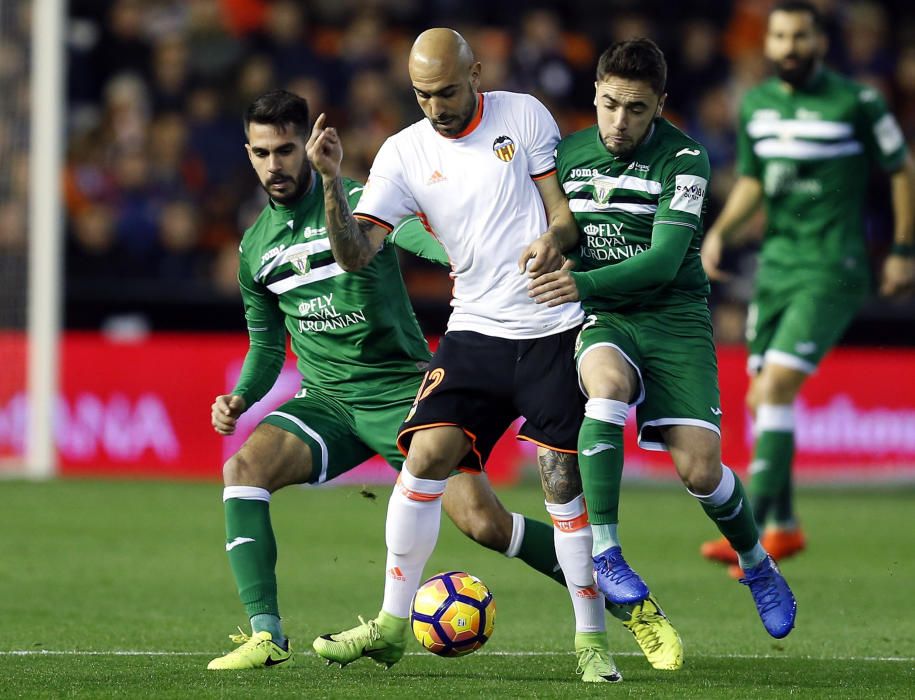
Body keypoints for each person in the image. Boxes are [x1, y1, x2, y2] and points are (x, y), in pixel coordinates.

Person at [207, 89, 682, 671]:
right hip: (327, 401)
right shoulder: (255, 247)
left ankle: (630, 607)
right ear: (249, 154)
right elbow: (263, 345)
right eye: (262, 153)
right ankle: (266, 632)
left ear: (307, 147)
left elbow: (415, 236)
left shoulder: (361, 199)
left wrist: (463, 256)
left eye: (285, 150)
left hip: (400, 390)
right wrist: (242, 396)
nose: (274, 165)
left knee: (485, 524)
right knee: (242, 470)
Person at [308, 28, 656, 683]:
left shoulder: (521, 114)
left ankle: (590, 644)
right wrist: (330, 181)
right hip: (474, 332)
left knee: (559, 483)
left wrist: (554, 241)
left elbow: (564, 214)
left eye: (444, 90)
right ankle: (389, 625)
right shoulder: (401, 153)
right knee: (425, 455)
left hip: (552, 327)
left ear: (476, 73)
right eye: (420, 94)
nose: (434, 106)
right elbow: (355, 253)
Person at [526, 38, 797, 639]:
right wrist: (556, 249)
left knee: (702, 471)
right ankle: (606, 549)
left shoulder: (686, 159)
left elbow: (665, 260)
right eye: (609, 105)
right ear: (594, 94)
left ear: (660, 104)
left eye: (637, 109)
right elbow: (559, 228)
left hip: (674, 317)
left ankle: (756, 564)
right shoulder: (566, 156)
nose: (620, 122)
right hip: (607, 316)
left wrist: (581, 283)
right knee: (606, 386)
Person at [700, 1, 915, 576]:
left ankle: (754, 531)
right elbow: (752, 179)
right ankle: (787, 525)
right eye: (780, 37)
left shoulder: (858, 102)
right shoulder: (759, 107)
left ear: (819, 42)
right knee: (760, 397)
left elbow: (901, 168)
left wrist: (901, 248)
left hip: (832, 268)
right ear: (767, 45)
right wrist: (720, 231)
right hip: (777, 268)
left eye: (800, 36)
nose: (790, 46)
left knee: (772, 389)